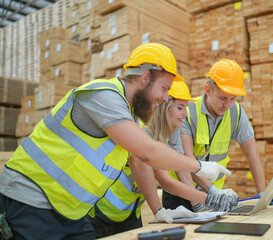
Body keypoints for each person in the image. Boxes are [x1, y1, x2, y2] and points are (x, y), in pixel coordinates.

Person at [0, 43, 231, 240]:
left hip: (69, 210)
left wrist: (159, 210)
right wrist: (198, 166)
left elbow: (141, 162)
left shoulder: (130, 116)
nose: (164, 98)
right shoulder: (103, 95)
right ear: (145, 77)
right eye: (164, 88)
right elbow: (148, 152)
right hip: (31, 197)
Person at [88, 80, 238, 238]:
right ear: (164, 107)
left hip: (130, 211)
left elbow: (182, 169)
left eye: (186, 108)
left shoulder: (172, 131)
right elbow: (165, 180)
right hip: (101, 211)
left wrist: (211, 195)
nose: (185, 114)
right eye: (180, 108)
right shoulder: (142, 131)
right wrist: (209, 199)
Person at [163, 59, 267, 210]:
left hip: (214, 197)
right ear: (208, 90)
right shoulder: (187, 112)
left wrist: (263, 194)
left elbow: (252, 155)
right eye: (222, 98)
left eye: (232, 99)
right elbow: (187, 159)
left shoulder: (236, 113)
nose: (227, 105)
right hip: (181, 193)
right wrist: (210, 194)